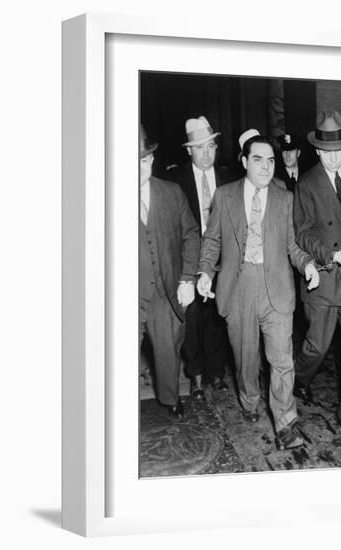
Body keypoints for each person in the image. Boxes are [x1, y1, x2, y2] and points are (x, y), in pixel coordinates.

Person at [197, 133, 320, 450]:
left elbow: (292, 244)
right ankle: (249, 399)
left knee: (281, 360)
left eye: (270, 160)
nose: (266, 166)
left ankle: (286, 422)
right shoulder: (224, 196)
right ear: (243, 161)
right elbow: (212, 241)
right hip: (238, 289)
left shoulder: (284, 198)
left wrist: (307, 264)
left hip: (276, 288)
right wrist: (205, 273)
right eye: (257, 159)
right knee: (245, 358)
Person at [293, 111, 341, 437]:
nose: (335, 156)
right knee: (317, 347)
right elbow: (303, 232)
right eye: (328, 151)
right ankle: (299, 378)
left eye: (340, 149)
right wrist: (331, 254)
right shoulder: (307, 183)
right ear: (318, 151)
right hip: (324, 278)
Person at [167, 116, 233, 400]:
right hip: (189, 260)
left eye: (211, 146)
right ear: (188, 150)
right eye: (200, 148)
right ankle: (194, 376)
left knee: (218, 316)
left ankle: (216, 373)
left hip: (222, 259)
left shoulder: (229, 178)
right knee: (192, 318)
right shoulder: (174, 181)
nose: (207, 153)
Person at [139, 126, 200, 419]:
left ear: (152, 159)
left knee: (166, 351)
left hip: (164, 292)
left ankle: (170, 398)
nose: (138, 168)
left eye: (143, 160)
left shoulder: (171, 193)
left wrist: (188, 278)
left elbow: (191, 234)